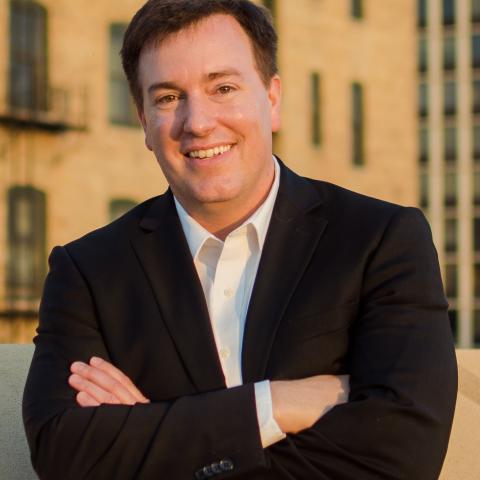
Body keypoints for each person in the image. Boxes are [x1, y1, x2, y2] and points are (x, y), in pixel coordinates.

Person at [23, 1, 457, 479]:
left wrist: (157, 435)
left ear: (272, 99)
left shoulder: (380, 241)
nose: (198, 122)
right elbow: (63, 455)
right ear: (144, 121)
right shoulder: (88, 271)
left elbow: (404, 454)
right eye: (168, 97)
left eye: (223, 88)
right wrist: (274, 404)